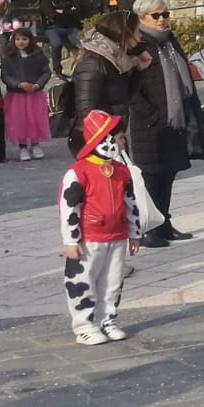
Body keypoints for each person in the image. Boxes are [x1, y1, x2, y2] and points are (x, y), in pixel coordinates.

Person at [58, 109, 141, 345]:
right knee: (83, 282)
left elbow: (131, 203)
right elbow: (68, 207)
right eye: (118, 138)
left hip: (117, 235)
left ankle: (108, 320)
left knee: (113, 282)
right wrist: (71, 240)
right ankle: (84, 325)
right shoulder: (78, 172)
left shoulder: (121, 171)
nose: (123, 142)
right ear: (103, 140)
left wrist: (135, 233)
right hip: (90, 238)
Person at [129, 0, 204, 247]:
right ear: (141, 18)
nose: (163, 20)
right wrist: (153, 115)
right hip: (150, 122)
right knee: (152, 176)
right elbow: (131, 88)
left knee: (168, 174)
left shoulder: (168, 42)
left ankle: (164, 223)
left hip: (175, 120)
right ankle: (149, 229)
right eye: (156, 15)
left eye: (165, 14)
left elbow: (184, 79)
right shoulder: (135, 44)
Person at [70, 11, 148, 156]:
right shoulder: (93, 63)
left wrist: (139, 71)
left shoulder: (118, 60)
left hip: (112, 135)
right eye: (137, 30)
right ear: (125, 32)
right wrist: (113, 133)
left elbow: (122, 99)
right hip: (94, 138)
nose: (140, 36)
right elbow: (87, 109)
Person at [0, 28, 53, 162]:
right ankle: (23, 147)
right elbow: (5, 75)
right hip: (16, 95)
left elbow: (46, 72)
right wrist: (17, 84)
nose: (21, 42)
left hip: (35, 94)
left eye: (24, 39)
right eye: (18, 39)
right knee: (19, 121)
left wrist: (37, 85)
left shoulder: (39, 55)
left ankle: (35, 145)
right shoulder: (9, 57)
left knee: (35, 120)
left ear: (30, 40)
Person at [45, 0, 86, 71]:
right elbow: (51, 14)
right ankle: (57, 70)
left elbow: (77, 12)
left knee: (85, 43)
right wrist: (69, 12)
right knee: (56, 44)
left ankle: (82, 68)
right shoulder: (48, 0)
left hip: (70, 28)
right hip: (53, 28)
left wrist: (62, 12)